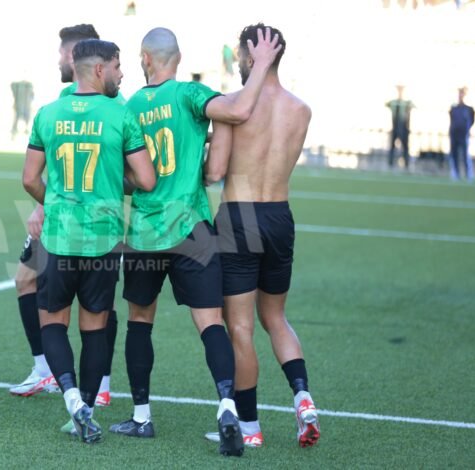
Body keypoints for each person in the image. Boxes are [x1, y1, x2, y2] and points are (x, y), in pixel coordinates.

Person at [109, 27, 280, 458]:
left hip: (146, 232)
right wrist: (261, 64)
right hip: (193, 228)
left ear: (145, 59)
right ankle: (227, 408)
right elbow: (238, 110)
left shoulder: (130, 107)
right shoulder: (190, 94)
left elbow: (127, 179)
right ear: (178, 58)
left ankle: (142, 417)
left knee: (139, 321)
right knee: (211, 324)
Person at [22, 39, 156, 443]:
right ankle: (86, 406)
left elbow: (29, 178)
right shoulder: (120, 114)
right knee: (95, 326)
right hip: (103, 239)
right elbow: (147, 179)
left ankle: (71, 399)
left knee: (52, 322)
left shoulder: (48, 113)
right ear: (99, 70)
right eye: (117, 66)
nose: (121, 74)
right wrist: (113, 181)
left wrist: (55, 202)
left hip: (58, 236)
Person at [205, 23, 320, 449]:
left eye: (240, 55)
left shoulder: (234, 106)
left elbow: (216, 172)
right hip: (279, 216)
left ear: (252, 57)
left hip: (240, 214)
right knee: (276, 317)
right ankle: (302, 397)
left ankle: (250, 427)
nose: (237, 62)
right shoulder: (301, 110)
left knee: (240, 327)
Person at [10, 24, 119, 409]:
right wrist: (42, 205)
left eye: (62, 53)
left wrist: (50, 203)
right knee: (25, 280)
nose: (58, 59)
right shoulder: (65, 99)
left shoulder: (107, 101)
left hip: (81, 224)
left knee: (98, 307)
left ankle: (98, 383)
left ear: (76, 58)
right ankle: (46, 370)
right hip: (61, 218)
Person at [448, 87, 474, 181]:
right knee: (454, 154)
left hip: (463, 135)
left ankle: (468, 174)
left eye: (462, 93)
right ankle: (456, 174)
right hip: (454, 134)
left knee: (465, 155)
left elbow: (471, 121)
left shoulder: (469, 109)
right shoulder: (453, 108)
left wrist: (466, 130)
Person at [386, 85, 413, 169]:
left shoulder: (406, 103)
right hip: (395, 127)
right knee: (392, 147)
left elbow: (413, 106)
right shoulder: (394, 102)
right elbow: (386, 104)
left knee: (405, 147)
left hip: (404, 128)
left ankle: (406, 165)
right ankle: (390, 164)